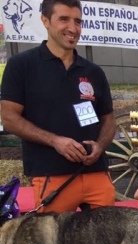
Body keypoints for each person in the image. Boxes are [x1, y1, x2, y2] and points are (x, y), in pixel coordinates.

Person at [0, 0, 116, 213]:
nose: (73, 28)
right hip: (51, 175)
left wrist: (100, 146)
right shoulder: (22, 65)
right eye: (64, 19)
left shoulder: (93, 72)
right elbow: (8, 118)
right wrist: (56, 141)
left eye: (78, 21)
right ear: (45, 21)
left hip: (96, 173)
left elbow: (108, 120)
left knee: (108, 243)